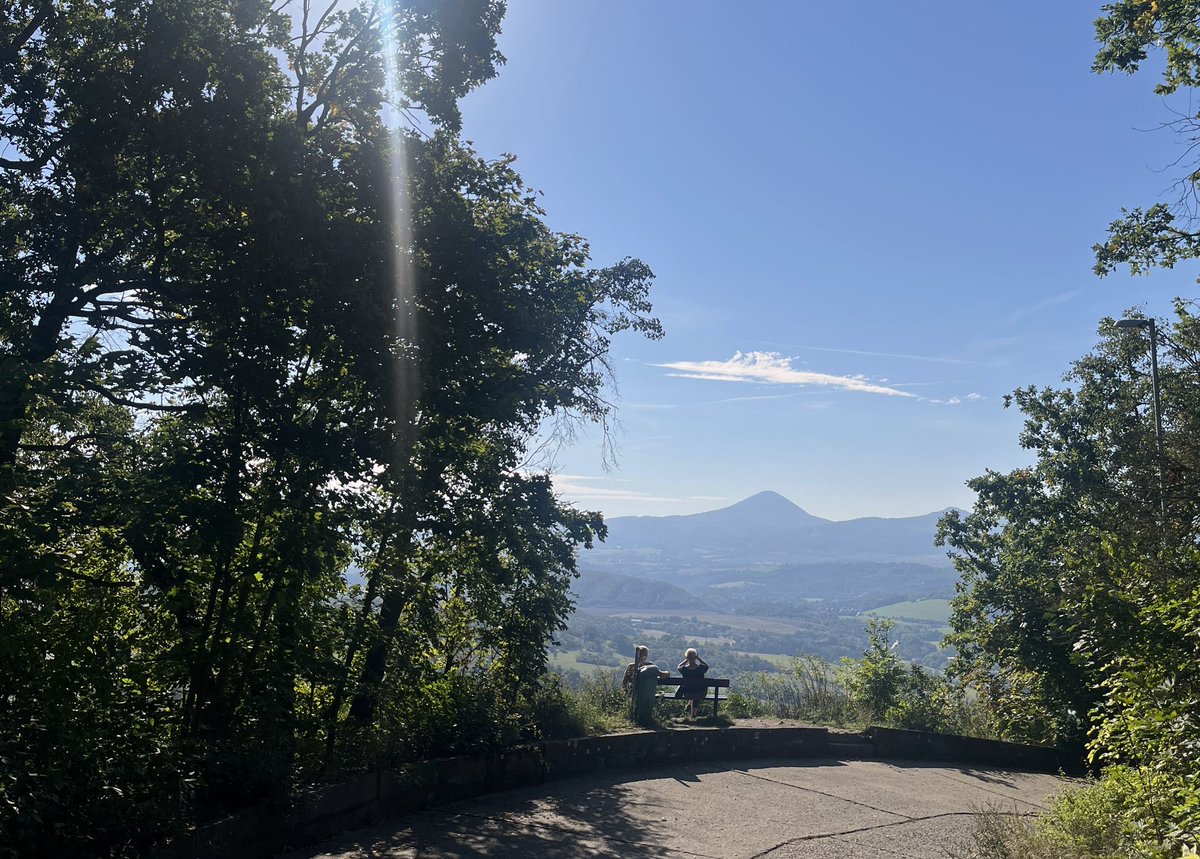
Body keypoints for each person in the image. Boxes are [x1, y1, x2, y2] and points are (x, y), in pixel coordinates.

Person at [676, 648, 710, 717]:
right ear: (695, 657)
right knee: (697, 691)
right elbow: (707, 666)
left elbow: (678, 666)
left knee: (693, 692)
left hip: (687, 694)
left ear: (687, 657)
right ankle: (693, 714)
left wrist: (686, 660)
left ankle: (690, 708)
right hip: (700, 693)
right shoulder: (701, 669)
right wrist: (698, 658)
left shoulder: (684, 670)